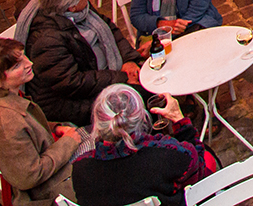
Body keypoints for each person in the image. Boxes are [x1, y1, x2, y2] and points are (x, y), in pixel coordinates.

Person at [0, 38, 84, 204]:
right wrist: (68, 142)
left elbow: (27, 128)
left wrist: (54, 128)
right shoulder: (5, 123)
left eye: (24, 56)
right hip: (43, 192)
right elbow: (30, 176)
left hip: (34, 169)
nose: (29, 63)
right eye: (17, 66)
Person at [23, 0, 142, 125]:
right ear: (71, 6)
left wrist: (128, 59)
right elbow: (72, 82)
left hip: (99, 79)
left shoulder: (81, 11)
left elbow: (109, 29)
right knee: (140, 98)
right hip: (69, 103)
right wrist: (121, 78)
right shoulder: (47, 40)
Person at [72, 85, 213, 206]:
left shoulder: (80, 169)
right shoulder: (167, 154)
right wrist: (179, 119)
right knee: (208, 158)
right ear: (142, 117)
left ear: (97, 123)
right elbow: (199, 170)